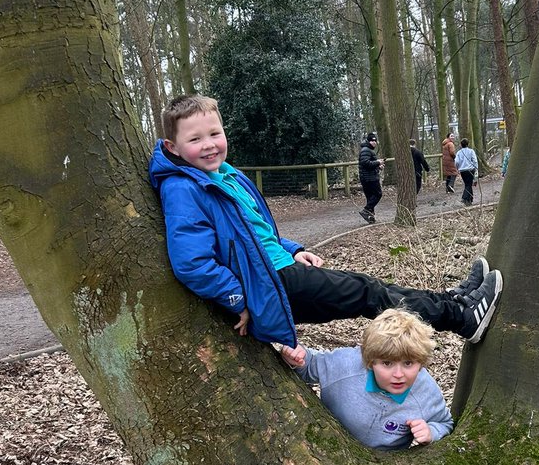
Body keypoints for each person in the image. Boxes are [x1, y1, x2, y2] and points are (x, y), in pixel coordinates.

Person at [148, 94, 503, 348]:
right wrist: (238, 298)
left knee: (371, 288)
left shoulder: (226, 174)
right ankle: (460, 316)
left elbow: (253, 232)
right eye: (195, 139)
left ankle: (452, 301)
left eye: (214, 134)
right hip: (271, 282)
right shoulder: (183, 188)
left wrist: (293, 249)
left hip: (281, 267)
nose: (209, 145)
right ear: (173, 147)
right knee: (369, 293)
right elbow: (191, 263)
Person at [279, 309, 453, 449]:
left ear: (421, 363)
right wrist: (297, 357)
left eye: (408, 363)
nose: (399, 374)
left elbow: (445, 422)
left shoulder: (426, 392)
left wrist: (431, 431)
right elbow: (310, 366)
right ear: (370, 362)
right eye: (387, 363)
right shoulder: (346, 365)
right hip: (326, 447)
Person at [358, 131, 383, 223]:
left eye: (375, 141)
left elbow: (368, 164)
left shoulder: (368, 150)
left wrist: (378, 166)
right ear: (368, 141)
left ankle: (370, 217)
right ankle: (366, 210)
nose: (374, 143)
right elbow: (365, 163)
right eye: (372, 141)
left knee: (370, 197)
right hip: (369, 178)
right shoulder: (366, 150)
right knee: (378, 194)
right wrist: (378, 162)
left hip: (367, 177)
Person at [455, 138, 478, 206]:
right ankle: (465, 197)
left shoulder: (459, 152)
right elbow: (475, 160)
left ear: (461, 145)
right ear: (468, 144)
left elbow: (456, 161)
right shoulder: (471, 151)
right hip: (470, 169)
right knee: (468, 184)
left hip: (462, 170)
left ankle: (469, 199)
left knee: (467, 184)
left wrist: (457, 168)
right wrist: (476, 168)